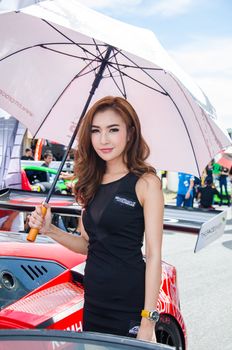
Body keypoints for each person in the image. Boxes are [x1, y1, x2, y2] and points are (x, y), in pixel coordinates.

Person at [29, 96, 164, 342]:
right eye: (96, 131)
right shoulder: (91, 182)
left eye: (113, 130)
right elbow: (89, 245)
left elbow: (154, 255)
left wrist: (148, 320)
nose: (104, 139)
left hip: (129, 305)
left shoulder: (146, 183)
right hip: (93, 302)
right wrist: (50, 230)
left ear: (130, 133)